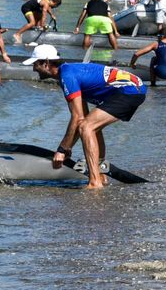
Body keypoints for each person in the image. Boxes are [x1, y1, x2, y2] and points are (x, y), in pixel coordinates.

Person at [29, 44, 147, 190]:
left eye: (35, 64)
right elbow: (82, 115)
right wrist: (67, 146)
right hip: (134, 88)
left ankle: (94, 182)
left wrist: (62, 149)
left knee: (87, 127)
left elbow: (78, 119)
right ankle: (101, 175)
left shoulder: (67, 76)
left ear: (46, 63)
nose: (34, 69)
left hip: (130, 90)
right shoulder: (69, 72)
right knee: (91, 125)